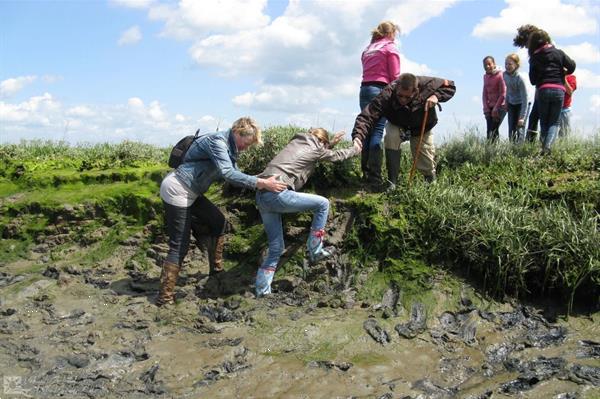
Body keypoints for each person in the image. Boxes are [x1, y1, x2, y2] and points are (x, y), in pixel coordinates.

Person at [157, 117, 287, 306]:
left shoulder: (230, 148)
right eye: (246, 143)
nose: (246, 148)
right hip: (177, 189)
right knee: (179, 245)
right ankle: (164, 297)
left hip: (191, 191)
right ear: (237, 132)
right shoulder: (216, 142)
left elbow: (235, 173)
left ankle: (216, 271)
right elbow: (228, 173)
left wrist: (264, 178)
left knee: (218, 221)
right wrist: (261, 183)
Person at [254, 128, 362, 297]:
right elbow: (336, 156)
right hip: (278, 194)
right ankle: (316, 250)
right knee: (323, 204)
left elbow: (313, 153)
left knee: (276, 248)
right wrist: (355, 149)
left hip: (262, 196)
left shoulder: (296, 142)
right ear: (322, 143)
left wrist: (330, 143)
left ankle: (262, 291)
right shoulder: (316, 148)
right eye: (325, 145)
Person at [352, 73, 456, 185]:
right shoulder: (387, 93)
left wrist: (436, 96)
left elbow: (450, 85)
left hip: (422, 125)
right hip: (397, 123)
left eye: (407, 97)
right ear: (396, 89)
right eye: (400, 96)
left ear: (416, 91)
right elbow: (367, 116)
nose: (403, 99)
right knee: (391, 136)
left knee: (424, 155)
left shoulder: (427, 84)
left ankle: (430, 182)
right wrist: (358, 136)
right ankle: (392, 181)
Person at [359, 21, 401, 189]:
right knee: (377, 131)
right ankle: (375, 177)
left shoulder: (368, 49)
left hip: (364, 89)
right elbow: (395, 76)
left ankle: (365, 172)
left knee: (367, 130)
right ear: (391, 33)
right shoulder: (389, 48)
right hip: (380, 90)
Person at [528, 29, 576, 154]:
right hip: (559, 90)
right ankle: (547, 147)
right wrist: (563, 72)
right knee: (554, 122)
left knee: (544, 121)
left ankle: (544, 148)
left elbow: (532, 80)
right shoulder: (558, 53)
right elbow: (572, 65)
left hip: (543, 90)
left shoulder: (534, 58)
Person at [503, 54, 528, 143]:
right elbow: (508, 90)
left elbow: (525, 98)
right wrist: (506, 102)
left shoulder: (520, 79)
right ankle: (512, 148)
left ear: (516, 65)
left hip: (522, 104)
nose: (507, 66)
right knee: (511, 128)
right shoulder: (505, 75)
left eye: (510, 64)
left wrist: (522, 117)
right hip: (511, 103)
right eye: (506, 64)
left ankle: (520, 150)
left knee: (520, 128)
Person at [482, 56, 506, 143]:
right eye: (485, 65)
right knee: (489, 132)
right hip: (490, 107)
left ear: (494, 64)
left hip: (500, 107)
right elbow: (484, 93)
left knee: (494, 130)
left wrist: (496, 108)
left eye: (489, 64)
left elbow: (503, 93)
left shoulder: (500, 75)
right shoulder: (485, 77)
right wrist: (486, 108)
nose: (487, 66)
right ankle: (490, 152)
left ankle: (495, 152)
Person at [559, 73, 577, 137]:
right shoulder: (554, 75)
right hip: (553, 108)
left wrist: (563, 78)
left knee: (564, 133)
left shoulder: (571, 77)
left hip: (564, 109)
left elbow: (569, 91)